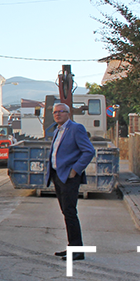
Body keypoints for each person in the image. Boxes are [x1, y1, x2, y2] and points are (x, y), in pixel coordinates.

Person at [44, 102, 95, 261]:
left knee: (70, 213)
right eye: (55, 112)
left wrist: (75, 170)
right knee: (67, 213)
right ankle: (72, 247)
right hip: (57, 176)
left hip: (69, 177)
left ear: (68, 113)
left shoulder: (76, 128)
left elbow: (89, 151)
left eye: (61, 112)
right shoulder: (58, 130)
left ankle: (77, 251)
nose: (58, 114)